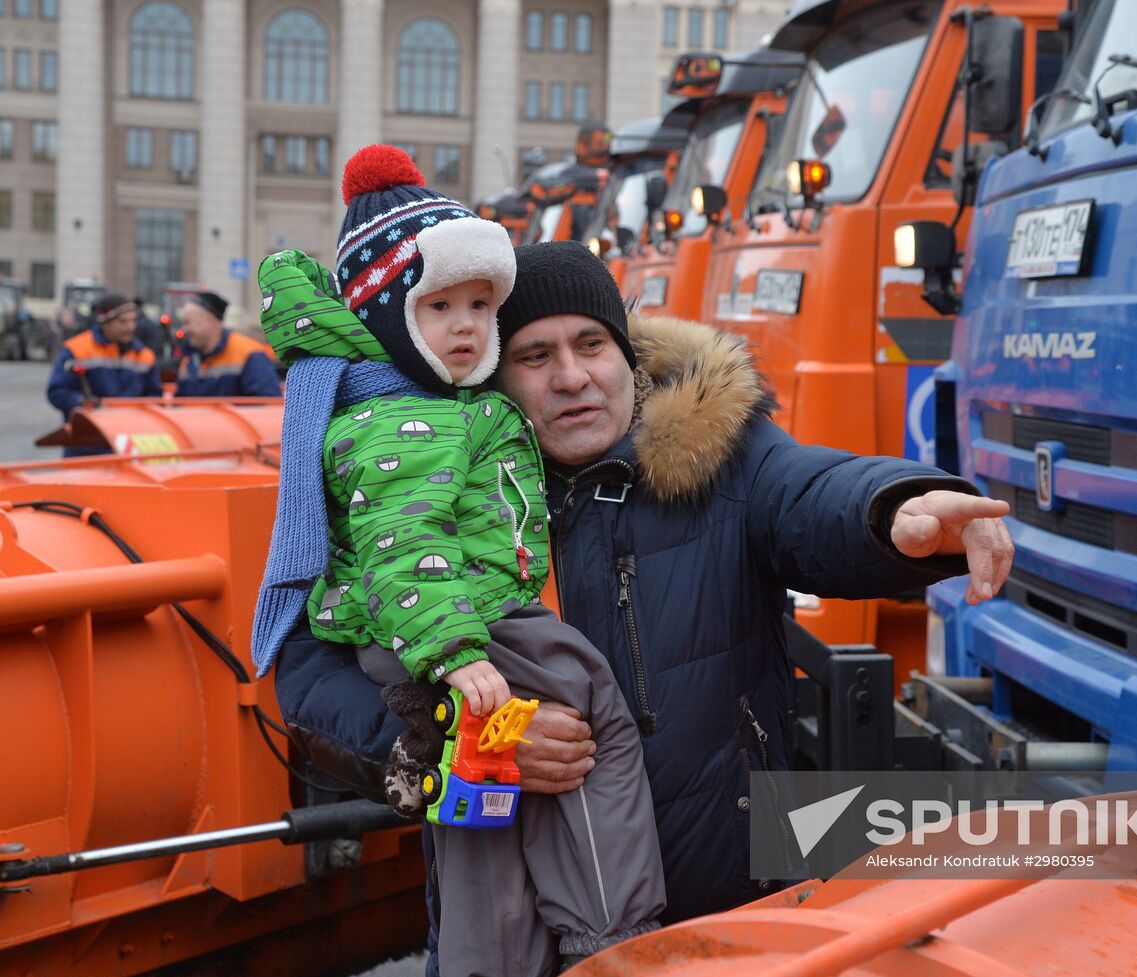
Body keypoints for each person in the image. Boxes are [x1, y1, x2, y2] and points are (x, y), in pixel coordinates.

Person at [272, 242, 1012, 951]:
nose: (571, 376)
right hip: (515, 936)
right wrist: (472, 742)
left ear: (625, 355)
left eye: (591, 345)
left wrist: (892, 510)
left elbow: (812, 492)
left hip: (730, 911)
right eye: (535, 355)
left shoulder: (725, 458)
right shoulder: (423, 492)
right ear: (494, 380)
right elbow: (311, 681)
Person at [251, 146, 665, 977]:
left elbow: (805, 492)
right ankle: (611, 939)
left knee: (483, 810)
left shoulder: (395, 403)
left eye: (482, 304)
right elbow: (405, 543)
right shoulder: (417, 418)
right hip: (464, 628)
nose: (468, 325)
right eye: (441, 305)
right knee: (588, 715)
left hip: (446, 635)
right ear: (388, 317)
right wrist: (453, 667)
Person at [46, 291, 163, 456]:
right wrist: (83, 403)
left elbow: (154, 395)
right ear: (105, 323)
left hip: (129, 445)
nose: (130, 327)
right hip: (86, 446)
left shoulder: (145, 356)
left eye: (133, 321)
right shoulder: (76, 350)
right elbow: (57, 391)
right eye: (123, 322)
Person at [175, 290, 283, 397]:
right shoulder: (187, 361)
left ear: (210, 321)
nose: (184, 329)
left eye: (187, 322)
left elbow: (267, 406)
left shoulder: (250, 354)